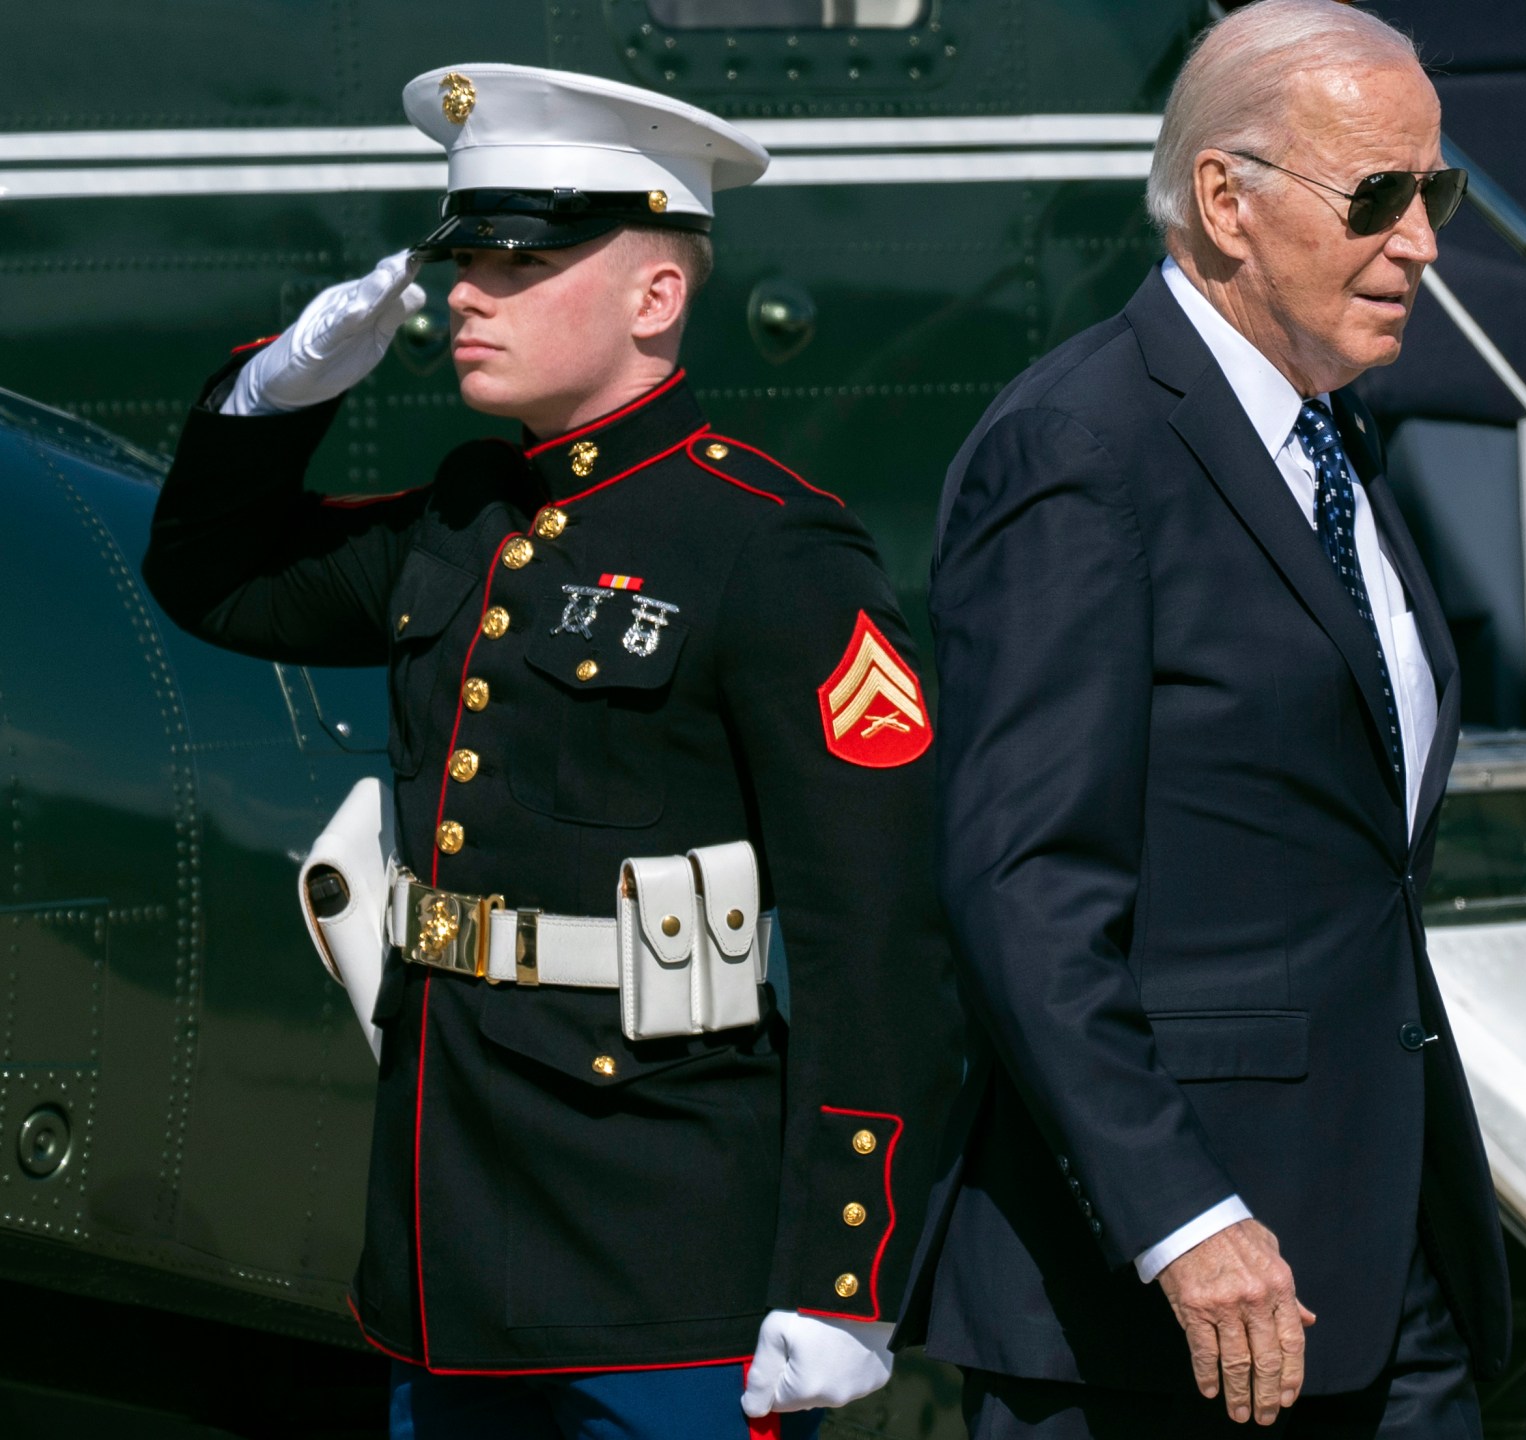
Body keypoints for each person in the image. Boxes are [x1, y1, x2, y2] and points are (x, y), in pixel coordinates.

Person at [139, 63, 962, 1440]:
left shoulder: (769, 550)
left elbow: (877, 935)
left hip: (668, 1276)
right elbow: (212, 581)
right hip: (447, 1263)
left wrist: (844, 1281)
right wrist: (276, 394)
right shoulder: (464, 516)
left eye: (516, 262)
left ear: (654, 297)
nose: (466, 293)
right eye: (464, 257)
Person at [921, 4, 1508, 1436]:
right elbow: (1024, 884)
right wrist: (1182, 1219)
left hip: (1374, 1257)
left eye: (1438, 193)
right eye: (1377, 198)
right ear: (1225, 202)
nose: (1424, 240)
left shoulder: (1320, 431)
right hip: (1172, 1308)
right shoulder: (1082, 448)